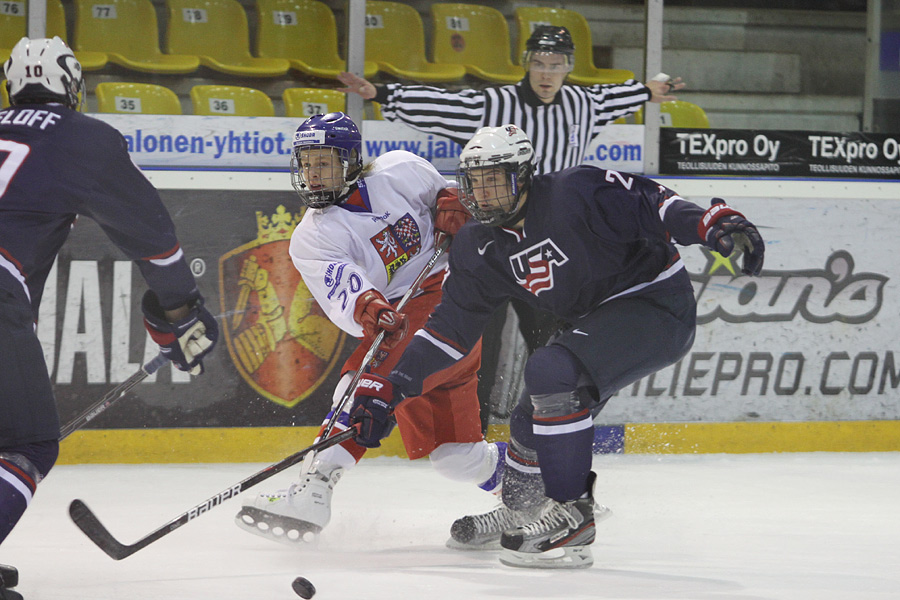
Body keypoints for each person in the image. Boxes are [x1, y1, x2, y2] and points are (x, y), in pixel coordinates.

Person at [348, 124, 765, 569]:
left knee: (550, 370)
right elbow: (449, 332)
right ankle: (523, 510)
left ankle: (573, 513)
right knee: (533, 414)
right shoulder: (476, 245)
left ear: (524, 176)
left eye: (495, 180)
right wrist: (393, 390)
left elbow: (655, 203)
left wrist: (707, 222)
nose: (483, 194)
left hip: (656, 304)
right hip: (596, 319)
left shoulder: (576, 190)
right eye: (474, 182)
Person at [0, 37, 218, 598]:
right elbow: (154, 240)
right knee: (27, 444)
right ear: (72, 86)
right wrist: (181, 310)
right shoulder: (83, 139)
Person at [339, 24, 686, 372]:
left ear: (568, 67)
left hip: (553, 246)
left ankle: (548, 412)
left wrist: (646, 91)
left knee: (550, 339)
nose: (546, 73)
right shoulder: (495, 104)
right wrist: (383, 94)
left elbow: (613, 97)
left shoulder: (584, 104)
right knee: (477, 338)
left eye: (556, 64)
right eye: (539, 63)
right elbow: (445, 105)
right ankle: (481, 423)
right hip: (493, 241)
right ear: (526, 63)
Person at [234, 112, 504, 546]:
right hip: (407, 320)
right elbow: (343, 287)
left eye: (323, 163)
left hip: (450, 303)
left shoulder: (401, 170)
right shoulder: (313, 235)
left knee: (363, 385)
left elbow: (452, 199)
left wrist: (458, 210)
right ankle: (533, 489)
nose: (312, 175)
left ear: (350, 161)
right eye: (306, 164)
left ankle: (314, 490)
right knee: (457, 456)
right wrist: (369, 306)